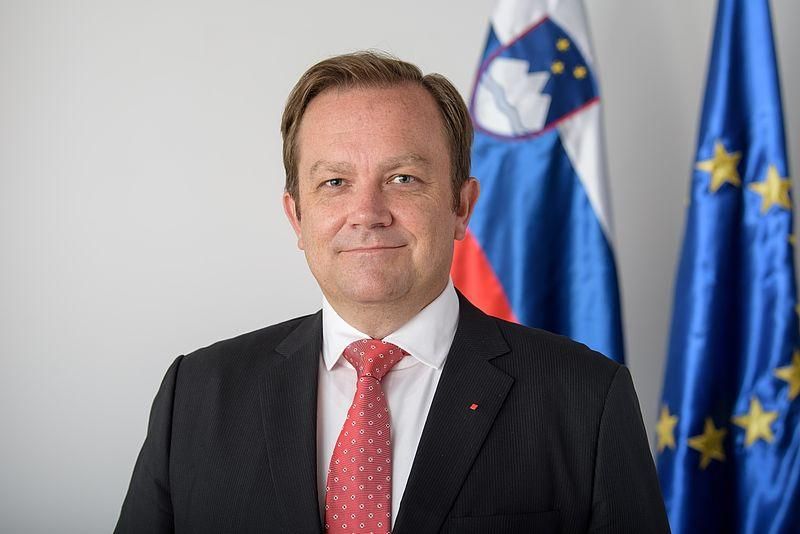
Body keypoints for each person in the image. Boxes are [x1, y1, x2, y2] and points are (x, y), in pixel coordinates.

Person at [115, 51, 669, 533]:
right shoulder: (197, 394)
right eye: (335, 182)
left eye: (403, 178)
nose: (368, 213)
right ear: (296, 216)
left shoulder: (586, 399)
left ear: (461, 206)